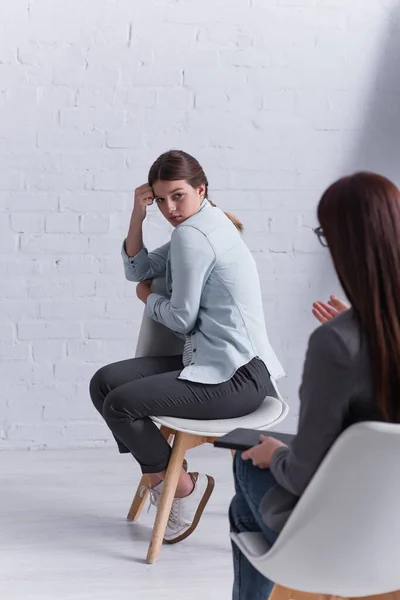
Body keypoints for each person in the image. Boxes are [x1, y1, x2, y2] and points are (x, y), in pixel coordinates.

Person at [90, 150, 284, 544]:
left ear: (201, 189)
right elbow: (137, 270)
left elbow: (181, 318)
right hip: (210, 361)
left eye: (178, 196)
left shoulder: (195, 236)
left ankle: (181, 491)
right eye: (160, 200)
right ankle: (170, 482)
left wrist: (148, 299)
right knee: (104, 383)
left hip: (237, 377)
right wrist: (136, 216)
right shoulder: (199, 225)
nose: (170, 208)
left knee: (119, 404)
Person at [230, 171, 400, 599]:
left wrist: (278, 455)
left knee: (246, 459)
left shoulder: (335, 346)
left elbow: (304, 473)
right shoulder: (358, 337)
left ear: (344, 243)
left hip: (339, 540)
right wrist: (357, 320)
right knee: (242, 511)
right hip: (393, 535)